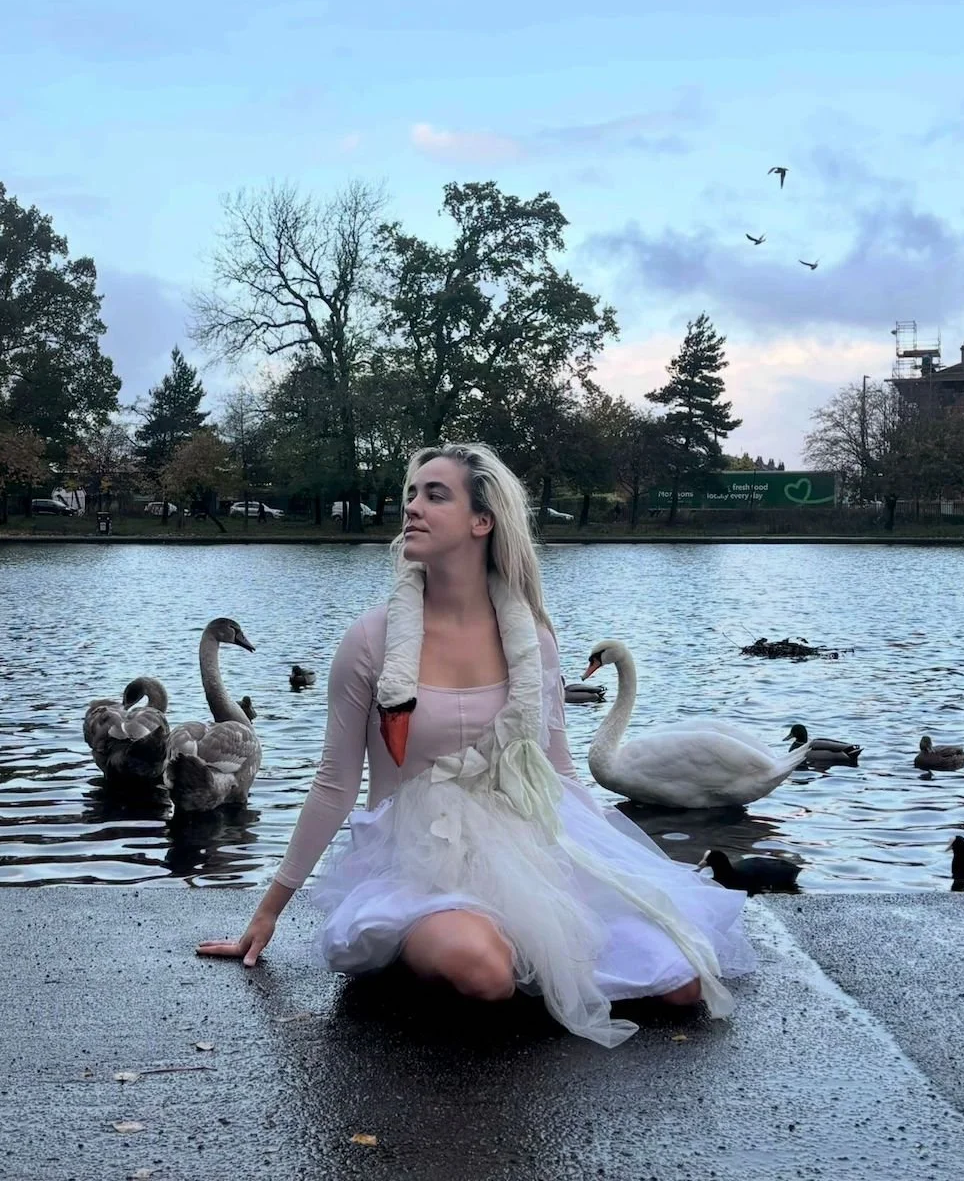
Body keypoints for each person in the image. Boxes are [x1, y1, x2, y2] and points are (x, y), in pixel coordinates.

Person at [197, 443, 756, 1046]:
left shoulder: (532, 636)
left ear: (481, 521)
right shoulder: (370, 640)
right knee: (484, 972)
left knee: (679, 983)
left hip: (524, 837)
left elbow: (559, 769)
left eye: (435, 495)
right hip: (415, 858)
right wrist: (268, 910)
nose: (412, 506)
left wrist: (610, 867)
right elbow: (335, 785)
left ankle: (533, 949)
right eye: (411, 493)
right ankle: (449, 948)